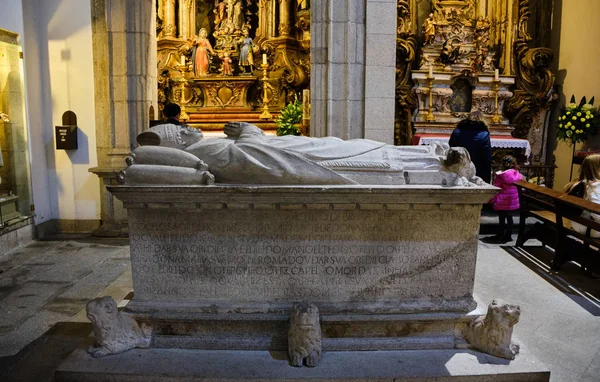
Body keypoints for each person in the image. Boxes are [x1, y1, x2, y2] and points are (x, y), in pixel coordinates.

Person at [135, 122, 483, 186]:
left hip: (299, 150)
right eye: (180, 132)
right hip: (304, 160)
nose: (187, 128)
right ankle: (440, 166)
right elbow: (250, 157)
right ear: (179, 145)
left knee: (362, 147)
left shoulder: (204, 148)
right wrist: (248, 129)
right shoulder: (206, 152)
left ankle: (440, 161)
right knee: (368, 156)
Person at [483, 155, 522, 244]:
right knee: (510, 218)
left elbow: (496, 188)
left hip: (502, 201)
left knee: (502, 219)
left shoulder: (500, 176)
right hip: (512, 201)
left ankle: (500, 235)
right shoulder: (517, 174)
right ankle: (508, 235)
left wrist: (492, 200)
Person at [449, 111, 492, 183]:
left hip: (459, 167)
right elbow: (486, 157)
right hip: (478, 169)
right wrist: (487, 177)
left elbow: (451, 148)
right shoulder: (484, 134)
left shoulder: (457, 131)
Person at [564, 154, 600, 238]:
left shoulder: (579, 182)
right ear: (597, 169)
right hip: (589, 227)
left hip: (578, 222)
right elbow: (597, 214)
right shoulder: (595, 187)